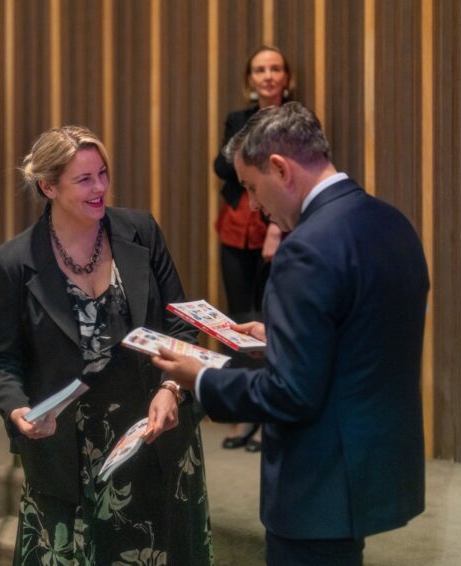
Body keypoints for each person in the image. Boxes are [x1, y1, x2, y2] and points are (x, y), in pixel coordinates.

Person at [154, 102, 429, 566]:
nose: (255, 207)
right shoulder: (392, 223)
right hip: (373, 464)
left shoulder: (304, 249)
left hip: (319, 480)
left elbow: (290, 394)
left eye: (251, 188)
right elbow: (362, 334)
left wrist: (199, 377)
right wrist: (282, 335)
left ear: (280, 168)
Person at [0, 126, 213, 565]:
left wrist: (171, 388)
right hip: (68, 447)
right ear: (48, 186)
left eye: (103, 173)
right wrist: (17, 410)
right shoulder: (15, 261)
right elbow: (1, 358)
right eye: (84, 179)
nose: (100, 187)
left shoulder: (140, 231)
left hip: (155, 429)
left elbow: (181, 325)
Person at [215, 45, 293, 451]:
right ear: (250, 80)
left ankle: (267, 413)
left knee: (270, 315)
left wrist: (276, 230)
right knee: (238, 316)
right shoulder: (238, 119)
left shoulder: (296, 119)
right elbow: (223, 166)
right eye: (259, 69)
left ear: (286, 77)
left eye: (275, 68)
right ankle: (244, 409)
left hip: (276, 228)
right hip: (235, 225)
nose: (267, 75)